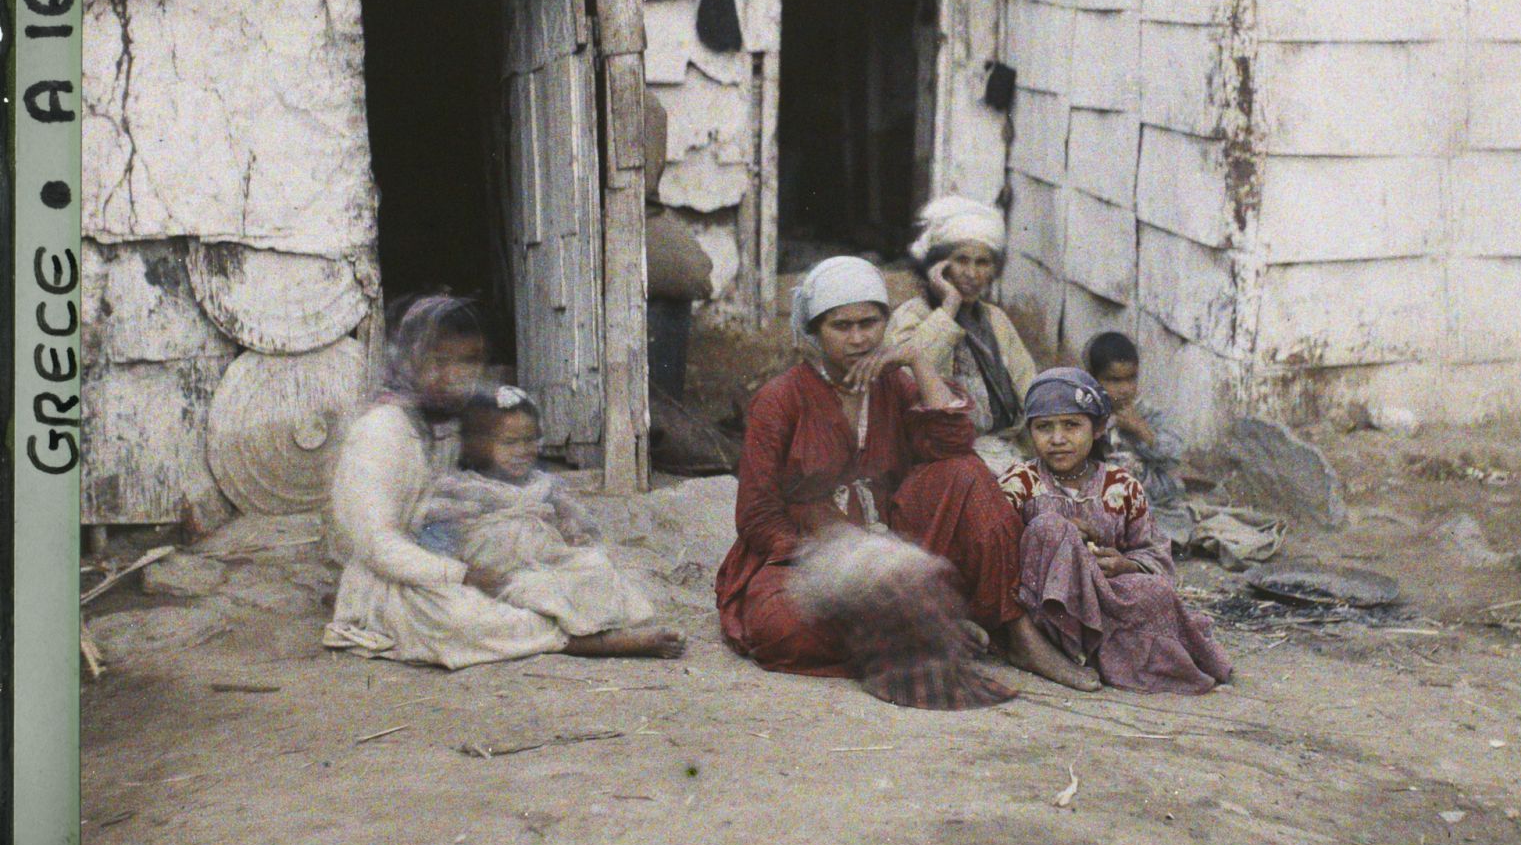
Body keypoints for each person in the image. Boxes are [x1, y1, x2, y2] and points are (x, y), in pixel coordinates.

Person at [715, 255, 1097, 700]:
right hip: (809, 552)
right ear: (815, 331)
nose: (858, 338)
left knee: (966, 473)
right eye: (842, 326)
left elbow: (954, 445)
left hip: (893, 540)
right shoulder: (779, 400)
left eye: (870, 323)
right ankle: (925, 629)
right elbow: (757, 514)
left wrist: (916, 358)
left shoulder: (892, 384)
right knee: (781, 628)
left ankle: (1016, 633)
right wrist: (840, 560)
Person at [322, 295, 681, 669]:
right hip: (398, 581)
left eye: (468, 361)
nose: (455, 375)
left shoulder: (449, 422)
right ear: (408, 359)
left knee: (579, 567)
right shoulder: (381, 430)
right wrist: (462, 574)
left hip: (457, 560)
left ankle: (568, 625)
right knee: (461, 617)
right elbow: (377, 547)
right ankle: (577, 641)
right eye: (439, 361)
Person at [999, 368, 1233, 695]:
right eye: (1044, 427)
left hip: (1105, 599)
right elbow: (998, 551)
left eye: (1071, 425)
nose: (1057, 439)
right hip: (1043, 606)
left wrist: (1126, 564)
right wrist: (1058, 539)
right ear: (1030, 431)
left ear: (1096, 429)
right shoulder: (1019, 482)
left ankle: (1094, 651)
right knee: (1050, 526)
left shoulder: (1122, 486)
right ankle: (1045, 651)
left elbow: (1152, 552)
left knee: (1155, 594)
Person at [415, 385, 663, 640]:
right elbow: (435, 543)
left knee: (594, 565)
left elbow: (574, 528)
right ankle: (590, 640)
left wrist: (574, 538)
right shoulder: (462, 491)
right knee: (533, 592)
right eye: (509, 442)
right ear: (476, 445)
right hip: (499, 577)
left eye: (529, 440)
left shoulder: (542, 486)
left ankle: (588, 628)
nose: (522, 451)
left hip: (547, 562)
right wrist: (460, 573)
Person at [886, 195, 1039, 474]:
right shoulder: (912, 316)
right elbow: (905, 380)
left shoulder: (995, 320)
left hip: (1004, 451)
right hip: (941, 457)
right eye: (961, 261)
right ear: (939, 266)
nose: (971, 273)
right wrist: (949, 306)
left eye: (982, 263)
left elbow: (1030, 389)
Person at [1085, 331, 1195, 550]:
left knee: (1176, 524)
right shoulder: (1085, 415)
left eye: (1131, 378)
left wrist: (1142, 431)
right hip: (1101, 501)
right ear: (1092, 379)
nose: (1126, 389)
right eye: (1115, 380)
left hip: (1150, 503)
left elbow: (1174, 456)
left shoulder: (1148, 414)